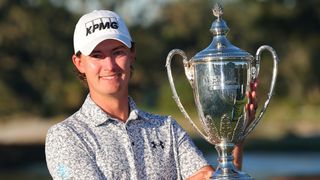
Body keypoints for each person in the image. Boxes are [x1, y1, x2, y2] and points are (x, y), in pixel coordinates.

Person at [45, 10, 257, 180]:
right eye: (97, 55)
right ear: (79, 63)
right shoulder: (65, 137)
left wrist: (234, 137)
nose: (109, 65)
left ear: (132, 54)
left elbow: (211, 177)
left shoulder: (167, 129)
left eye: (117, 52)